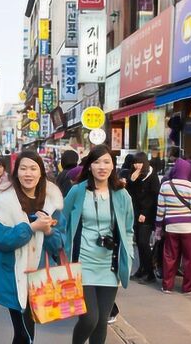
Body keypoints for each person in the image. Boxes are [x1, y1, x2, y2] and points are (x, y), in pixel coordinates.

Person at [0, 151, 65, 344]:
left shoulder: (52, 202)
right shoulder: (1, 201)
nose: (28, 174)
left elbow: (59, 245)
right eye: (23, 168)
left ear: (41, 173)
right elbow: (2, 240)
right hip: (12, 275)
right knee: (24, 331)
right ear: (16, 172)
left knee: (25, 333)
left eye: (33, 169)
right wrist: (31, 228)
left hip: (41, 277)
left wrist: (47, 231)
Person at [62, 144, 135, 344]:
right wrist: (63, 248)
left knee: (102, 321)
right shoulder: (78, 191)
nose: (102, 166)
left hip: (109, 266)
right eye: (96, 162)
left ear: (113, 166)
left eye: (106, 162)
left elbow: (128, 229)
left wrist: (127, 254)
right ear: (89, 166)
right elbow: (62, 220)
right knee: (89, 318)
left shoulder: (121, 194)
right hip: (82, 263)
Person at [154, 158, 191, 294]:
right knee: (190, 258)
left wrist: (158, 227)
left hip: (171, 228)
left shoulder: (165, 186)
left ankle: (167, 286)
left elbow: (160, 209)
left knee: (169, 256)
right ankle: (188, 287)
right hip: (189, 229)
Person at [127, 152, 161, 284]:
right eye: (135, 163)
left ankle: (150, 272)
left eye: (140, 162)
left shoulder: (152, 176)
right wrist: (132, 180)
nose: (137, 165)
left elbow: (154, 196)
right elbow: (130, 194)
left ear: (145, 163)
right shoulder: (135, 175)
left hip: (147, 214)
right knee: (139, 244)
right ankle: (142, 269)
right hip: (136, 213)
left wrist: (145, 213)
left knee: (143, 242)